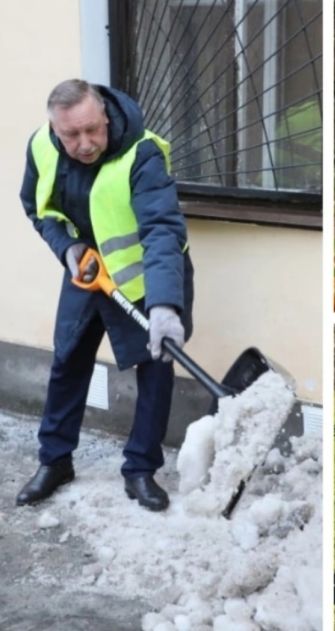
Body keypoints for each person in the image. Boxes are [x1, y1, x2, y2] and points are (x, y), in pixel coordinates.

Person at [16, 79, 194, 512]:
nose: (84, 144)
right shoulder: (42, 146)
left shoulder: (142, 153)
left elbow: (161, 231)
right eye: (70, 135)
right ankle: (55, 461)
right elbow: (36, 208)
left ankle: (140, 469)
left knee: (155, 367)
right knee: (67, 361)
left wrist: (165, 305)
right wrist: (66, 248)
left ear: (105, 115)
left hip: (148, 278)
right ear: (54, 129)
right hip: (87, 271)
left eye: (92, 130)